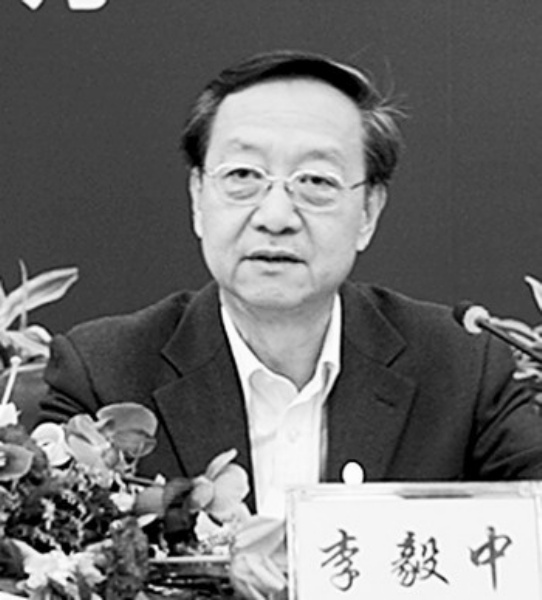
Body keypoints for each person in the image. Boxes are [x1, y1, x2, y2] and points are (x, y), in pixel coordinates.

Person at [40, 49, 542, 518]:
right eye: (243, 175)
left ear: (368, 211)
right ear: (197, 197)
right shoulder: (104, 375)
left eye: (316, 182)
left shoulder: (461, 368)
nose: (276, 216)